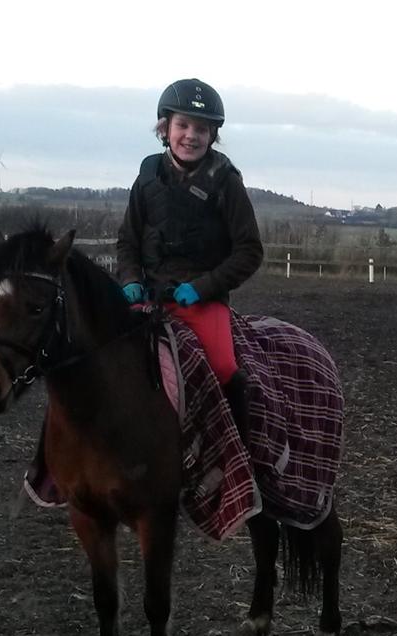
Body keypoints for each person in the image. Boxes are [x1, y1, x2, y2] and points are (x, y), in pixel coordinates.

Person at [117, 77, 263, 439]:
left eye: (201, 128)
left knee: (225, 367)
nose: (191, 135)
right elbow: (128, 239)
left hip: (201, 300)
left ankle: (239, 454)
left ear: (212, 135)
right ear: (165, 128)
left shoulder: (226, 181)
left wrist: (202, 288)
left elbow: (249, 251)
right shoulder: (147, 176)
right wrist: (130, 279)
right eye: (183, 125)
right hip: (148, 297)